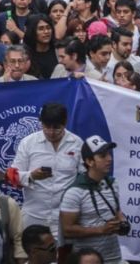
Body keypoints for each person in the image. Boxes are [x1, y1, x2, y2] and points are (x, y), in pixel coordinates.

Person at [11, 102, 84, 236]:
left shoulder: (77, 143)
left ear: (65, 123)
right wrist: (31, 176)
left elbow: (84, 178)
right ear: (41, 122)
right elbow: (11, 176)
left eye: (56, 128)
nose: (51, 132)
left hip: (65, 218)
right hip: (33, 216)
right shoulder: (28, 142)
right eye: (46, 127)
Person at [59, 135, 127, 264]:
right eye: (102, 156)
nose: (109, 159)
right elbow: (67, 230)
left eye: (108, 154)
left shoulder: (113, 183)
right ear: (89, 162)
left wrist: (123, 222)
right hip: (87, 260)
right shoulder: (74, 192)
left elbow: (117, 212)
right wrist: (101, 230)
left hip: (114, 258)